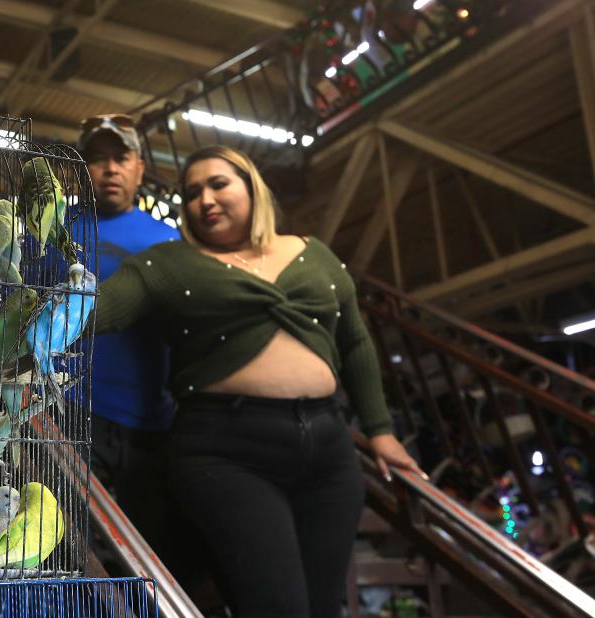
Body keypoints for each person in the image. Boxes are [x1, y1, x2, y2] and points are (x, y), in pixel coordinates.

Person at [93, 145, 426, 618]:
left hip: (328, 449)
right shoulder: (168, 263)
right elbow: (103, 308)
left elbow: (354, 342)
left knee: (323, 607)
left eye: (218, 184)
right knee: (277, 607)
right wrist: (30, 314)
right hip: (226, 449)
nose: (204, 200)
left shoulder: (314, 253)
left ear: (252, 187)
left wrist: (381, 431)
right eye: (191, 193)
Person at [76, 114, 180, 555]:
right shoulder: (52, 230)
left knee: (149, 552)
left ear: (139, 168)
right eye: (98, 159)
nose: (110, 169)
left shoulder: (170, 241)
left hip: (151, 419)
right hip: (71, 411)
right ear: (83, 169)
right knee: (70, 547)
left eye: (121, 158)